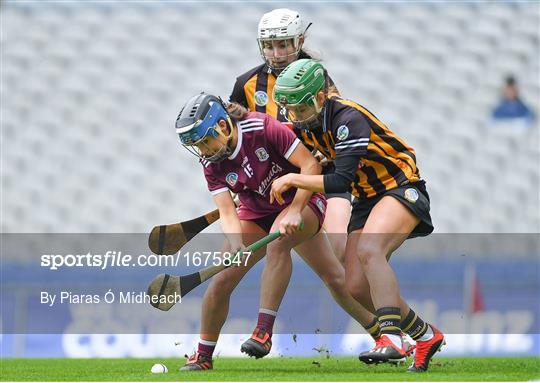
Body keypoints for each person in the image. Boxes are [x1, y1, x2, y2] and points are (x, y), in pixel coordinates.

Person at [175, 92, 378, 371]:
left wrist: (295, 210)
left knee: (277, 244)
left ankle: (263, 332)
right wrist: (235, 242)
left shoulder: (261, 127)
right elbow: (226, 211)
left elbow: (310, 165)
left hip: (303, 199)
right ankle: (203, 356)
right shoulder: (211, 163)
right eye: (197, 146)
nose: (203, 151)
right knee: (222, 280)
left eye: (205, 142)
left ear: (222, 126)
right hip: (257, 211)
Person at [270, 59, 446, 372]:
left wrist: (293, 180)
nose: (295, 117)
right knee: (355, 286)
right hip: (366, 198)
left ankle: (390, 337)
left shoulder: (347, 117)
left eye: (300, 108)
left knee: (370, 249)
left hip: (401, 186)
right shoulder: (306, 125)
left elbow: (339, 181)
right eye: (290, 110)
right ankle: (426, 335)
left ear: (320, 98)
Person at [229, 8, 351, 265]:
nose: (277, 54)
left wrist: (324, 148)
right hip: (277, 191)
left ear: (300, 42)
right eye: (270, 47)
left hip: (320, 179)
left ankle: (386, 303)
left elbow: (338, 128)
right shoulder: (246, 84)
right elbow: (236, 140)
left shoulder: (317, 78)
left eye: (283, 45)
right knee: (333, 275)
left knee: (341, 251)